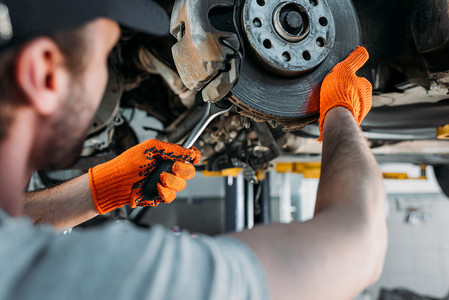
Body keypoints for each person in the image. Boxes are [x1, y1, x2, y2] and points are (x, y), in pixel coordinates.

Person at [0, 0, 387, 299]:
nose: (105, 70)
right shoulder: (104, 280)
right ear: (43, 74)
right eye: (104, 55)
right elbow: (360, 244)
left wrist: (98, 190)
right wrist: (340, 114)